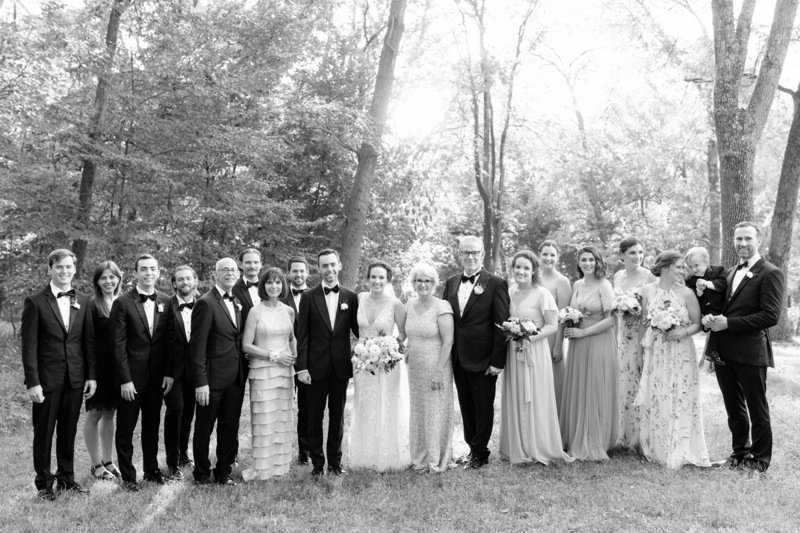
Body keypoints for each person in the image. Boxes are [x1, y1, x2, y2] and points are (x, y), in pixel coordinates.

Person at [705, 221, 784, 473]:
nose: (743, 244)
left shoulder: (771, 272)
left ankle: (759, 461)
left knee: (756, 407)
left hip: (751, 351)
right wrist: (711, 318)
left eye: (748, 239)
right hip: (724, 351)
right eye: (738, 239)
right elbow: (723, 307)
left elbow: (770, 316)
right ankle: (739, 454)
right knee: (733, 406)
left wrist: (729, 323)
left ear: (758, 241)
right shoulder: (729, 272)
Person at [21, 249, 96, 500]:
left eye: (68, 267)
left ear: (75, 269)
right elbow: (29, 346)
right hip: (47, 381)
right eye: (59, 267)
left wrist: (91, 376)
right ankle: (44, 485)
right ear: (50, 269)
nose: (64, 271)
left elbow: (88, 342)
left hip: (75, 380)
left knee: (68, 431)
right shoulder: (35, 302)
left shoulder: (84, 301)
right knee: (44, 434)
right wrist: (33, 382)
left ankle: (66, 478)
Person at [636, 251, 711, 468]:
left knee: (680, 396)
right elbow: (643, 322)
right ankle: (658, 447)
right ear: (665, 267)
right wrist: (643, 353)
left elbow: (698, 324)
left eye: (683, 267)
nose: (683, 271)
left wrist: (682, 333)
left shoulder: (687, 294)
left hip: (681, 351)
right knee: (658, 395)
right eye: (678, 267)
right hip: (657, 352)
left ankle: (681, 448)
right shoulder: (648, 291)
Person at [499, 251, 573, 465]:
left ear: (533, 272)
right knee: (517, 394)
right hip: (514, 352)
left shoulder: (542, 294)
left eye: (526, 268)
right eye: (517, 267)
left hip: (535, 351)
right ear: (512, 269)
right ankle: (517, 446)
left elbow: (552, 325)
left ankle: (537, 446)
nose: (521, 271)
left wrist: (529, 338)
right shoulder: (510, 292)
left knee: (535, 396)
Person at [442, 236, 510, 469]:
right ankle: (472, 448)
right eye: (465, 253)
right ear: (459, 255)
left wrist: (497, 360)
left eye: (474, 252)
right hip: (458, 356)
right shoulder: (451, 282)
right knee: (466, 405)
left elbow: (502, 324)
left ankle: (481, 453)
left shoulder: (496, 283)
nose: (470, 257)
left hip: (483, 358)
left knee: (482, 407)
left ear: (481, 254)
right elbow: (446, 318)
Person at [110, 253, 173, 491]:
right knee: (125, 429)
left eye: (152, 269)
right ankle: (128, 477)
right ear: (135, 273)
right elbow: (118, 345)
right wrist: (125, 380)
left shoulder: (166, 301)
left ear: (158, 272)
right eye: (143, 269)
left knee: (151, 426)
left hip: (157, 379)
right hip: (131, 380)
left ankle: (151, 470)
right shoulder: (123, 303)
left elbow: (169, 342)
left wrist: (168, 373)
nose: (148, 273)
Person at [296, 249, 359, 477]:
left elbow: (359, 330)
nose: (330, 269)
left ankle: (335, 463)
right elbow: (301, 335)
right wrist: (301, 367)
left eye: (333, 265)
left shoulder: (350, 297)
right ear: (318, 268)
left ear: (339, 265)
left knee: (337, 417)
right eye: (325, 266)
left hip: (340, 368)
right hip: (314, 368)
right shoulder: (308, 297)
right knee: (314, 417)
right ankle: (317, 463)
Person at [348, 260, 410, 471]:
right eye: (373, 276)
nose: (376, 281)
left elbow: (402, 332)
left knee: (386, 404)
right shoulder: (360, 298)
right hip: (363, 365)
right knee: (365, 405)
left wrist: (390, 348)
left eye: (381, 277)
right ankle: (365, 455)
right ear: (367, 278)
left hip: (386, 365)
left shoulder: (395, 304)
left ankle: (387, 456)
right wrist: (362, 351)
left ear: (387, 280)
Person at [190, 257, 246, 486]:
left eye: (233, 270)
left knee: (229, 427)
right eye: (224, 270)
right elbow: (197, 347)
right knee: (204, 428)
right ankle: (202, 474)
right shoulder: (205, 303)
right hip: (211, 380)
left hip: (235, 378)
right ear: (216, 274)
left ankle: (223, 471)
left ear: (238, 274)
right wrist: (201, 382)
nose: (230, 273)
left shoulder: (237, 302)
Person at [560, 246, 618, 460]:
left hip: (597, 341)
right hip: (578, 343)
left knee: (594, 388)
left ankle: (594, 440)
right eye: (583, 260)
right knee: (580, 387)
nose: (587, 263)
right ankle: (576, 436)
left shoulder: (604, 285)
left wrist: (584, 332)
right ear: (579, 262)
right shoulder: (577, 284)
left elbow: (612, 319)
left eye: (591, 260)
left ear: (598, 262)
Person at [241, 268, 297, 480]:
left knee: (282, 418)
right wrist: (274, 356)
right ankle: (262, 469)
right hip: (263, 370)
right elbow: (246, 345)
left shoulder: (289, 310)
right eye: (269, 283)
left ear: (283, 285)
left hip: (285, 372)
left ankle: (280, 467)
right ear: (262, 286)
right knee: (264, 419)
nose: (274, 286)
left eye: (278, 282)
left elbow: (291, 337)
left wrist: (294, 357)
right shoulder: (256, 311)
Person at [405, 263, 455, 472]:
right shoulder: (409, 304)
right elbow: (406, 335)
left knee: (435, 412)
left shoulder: (442, 306)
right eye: (419, 280)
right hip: (415, 368)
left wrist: (438, 371)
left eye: (427, 281)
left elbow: (449, 340)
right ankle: (419, 457)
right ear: (413, 283)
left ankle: (435, 458)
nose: (422, 284)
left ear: (434, 284)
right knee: (418, 411)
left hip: (437, 366)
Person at [612, 237, 655, 450]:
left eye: (640, 252)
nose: (637, 256)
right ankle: (621, 434)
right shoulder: (618, 276)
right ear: (622, 256)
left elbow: (650, 312)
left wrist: (641, 343)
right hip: (621, 335)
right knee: (622, 383)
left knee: (638, 382)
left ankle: (639, 436)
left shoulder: (649, 277)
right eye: (632, 253)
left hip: (640, 335)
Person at [84, 260, 123, 481]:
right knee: (94, 413)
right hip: (98, 368)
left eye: (112, 277)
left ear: (119, 278)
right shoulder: (92, 304)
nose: (108, 281)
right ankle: (96, 464)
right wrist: (91, 375)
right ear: (97, 281)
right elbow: (88, 341)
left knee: (110, 414)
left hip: (117, 369)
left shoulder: (123, 302)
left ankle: (108, 460)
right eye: (103, 278)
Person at [163, 265, 199, 480]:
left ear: (195, 281)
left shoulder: (203, 305)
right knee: (175, 411)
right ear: (174, 284)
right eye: (180, 280)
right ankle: (172, 462)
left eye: (189, 279)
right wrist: (166, 371)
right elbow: (160, 342)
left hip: (195, 370)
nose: (185, 283)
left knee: (188, 413)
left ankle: (184, 454)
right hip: (172, 372)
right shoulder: (166, 306)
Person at [231, 247, 262, 463]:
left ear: (261, 264)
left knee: (266, 405)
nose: (252, 266)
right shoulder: (232, 289)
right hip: (240, 358)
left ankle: (265, 453)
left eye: (255, 262)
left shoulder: (272, 287)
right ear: (241, 264)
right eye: (247, 262)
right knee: (232, 409)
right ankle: (230, 454)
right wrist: (248, 347)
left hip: (269, 356)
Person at [281, 256, 311, 466]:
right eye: (294, 271)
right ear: (288, 273)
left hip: (309, 360)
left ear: (307, 273)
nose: (298, 275)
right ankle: (279, 452)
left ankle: (305, 452)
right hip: (284, 360)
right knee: (282, 406)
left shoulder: (316, 296)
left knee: (307, 408)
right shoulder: (280, 298)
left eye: (302, 271)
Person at [538, 240, 572, 414]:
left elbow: (563, 316)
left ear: (557, 257)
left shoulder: (562, 281)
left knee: (553, 380)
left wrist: (558, 345)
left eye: (552, 255)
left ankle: (556, 425)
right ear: (539, 255)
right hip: (536, 334)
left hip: (552, 337)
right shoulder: (534, 277)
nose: (548, 258)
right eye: (545, 254)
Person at [684, 247, 727, 367]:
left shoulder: (718, 271)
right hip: (707, 310)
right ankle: (711, 352)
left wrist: (708, 284)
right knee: (712, 324)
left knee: (720, 326)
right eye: (690, 267)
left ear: (706, 261)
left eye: (696, 265)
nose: (693, 269)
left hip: (722, 306)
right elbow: (692, 297)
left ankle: (712, 352)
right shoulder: (690, 280)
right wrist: (699, 291)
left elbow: (723, 284)